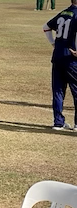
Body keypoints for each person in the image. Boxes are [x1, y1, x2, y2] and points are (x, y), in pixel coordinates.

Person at [43, 0, 77, 130]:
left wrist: (53, 43)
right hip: (71, 59)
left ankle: (58, 122)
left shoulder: (63, 13)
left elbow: (46, 27)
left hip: (57, 56)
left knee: (58, 91)